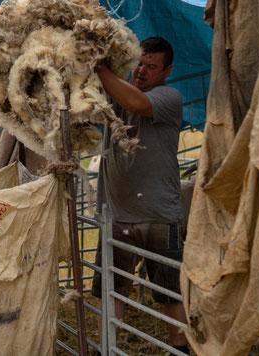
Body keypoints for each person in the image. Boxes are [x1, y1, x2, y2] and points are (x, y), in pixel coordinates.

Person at [91, 37, 189, 354]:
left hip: (160, 214)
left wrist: (98, 63)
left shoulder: (169, 97)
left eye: (151, 67)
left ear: (167, 71)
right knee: (111, 289)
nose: (142, 72)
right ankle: (108, 348)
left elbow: (136, 103)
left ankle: (182, 348)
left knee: (170, 292)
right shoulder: (116, 97)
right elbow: (101, 98)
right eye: (139, 64)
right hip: (117, 214)